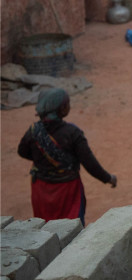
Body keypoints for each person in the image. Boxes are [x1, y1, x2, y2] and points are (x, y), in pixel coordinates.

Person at [17, 88, 116, 223]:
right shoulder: (73, 133)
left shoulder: (34, 131)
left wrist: (43, 161)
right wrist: (108, 178)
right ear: (62, 109)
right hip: (67, 191)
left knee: (45, 229)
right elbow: (89, 163)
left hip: (41, 189)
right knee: (71, 229)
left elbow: (22, 151)